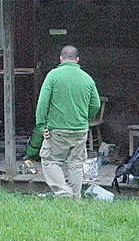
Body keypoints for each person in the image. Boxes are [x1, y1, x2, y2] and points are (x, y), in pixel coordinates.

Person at [35, 46, 101, 198]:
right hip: (80, 130)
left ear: (61, 59)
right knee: (76, 164)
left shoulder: (53, 75)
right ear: (77, 60)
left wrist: (41, 125)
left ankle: (64, 194)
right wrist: (86, 118)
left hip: (57, 130)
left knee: (50, 161)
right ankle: (75, 196)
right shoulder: (87, 78)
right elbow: (95, 105)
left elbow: (43, 102)